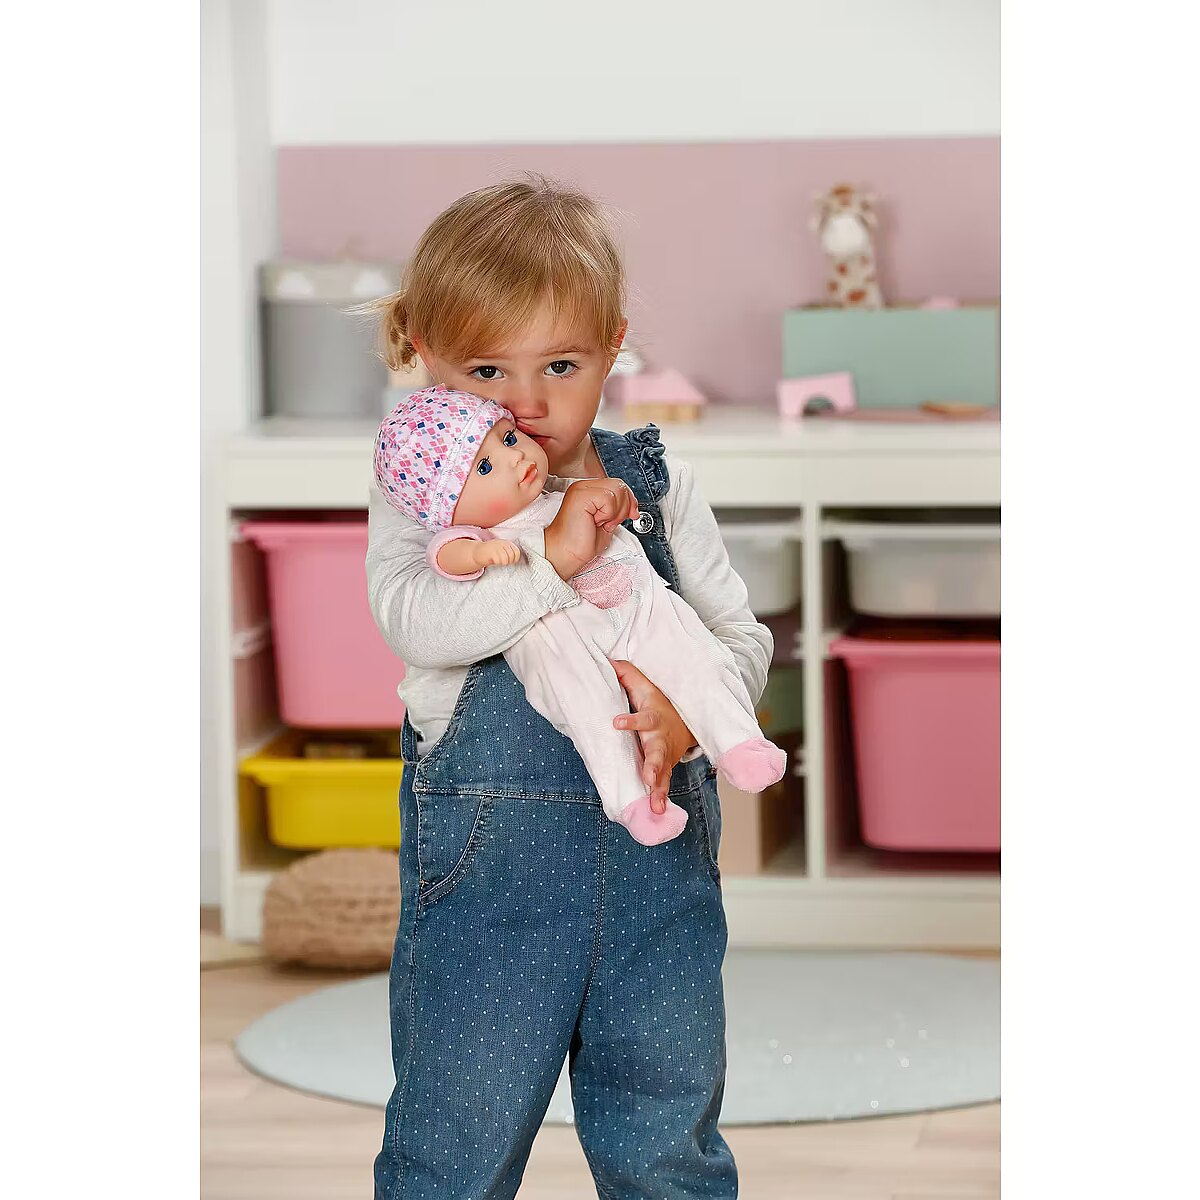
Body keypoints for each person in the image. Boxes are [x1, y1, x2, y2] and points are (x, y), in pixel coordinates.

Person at [366, 175, 771, 1199]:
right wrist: (548, 558)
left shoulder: (657, 487)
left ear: (612, 346)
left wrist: (690, 713)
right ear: (425, 355)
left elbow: (738, 635)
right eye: (487, 370)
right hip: (492, 899)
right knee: (453, 1144)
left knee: (667, 1140)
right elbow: (418, 623)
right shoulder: (426, 497)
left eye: (560, 364)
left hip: (656, 891)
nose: (529, 403)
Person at [373, 385, 786, 846]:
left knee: (693, 650)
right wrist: (501, 554)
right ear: (445, 511)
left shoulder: (649, 482)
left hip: (640, 610)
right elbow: (438, 579)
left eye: (507, 438)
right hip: (501, 837)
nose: (516, 453)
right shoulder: (452, 525)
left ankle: (737, 742)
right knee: (591, 711)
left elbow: (735, 631)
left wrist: (684, 725)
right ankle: (632, 802)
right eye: (484, 467)